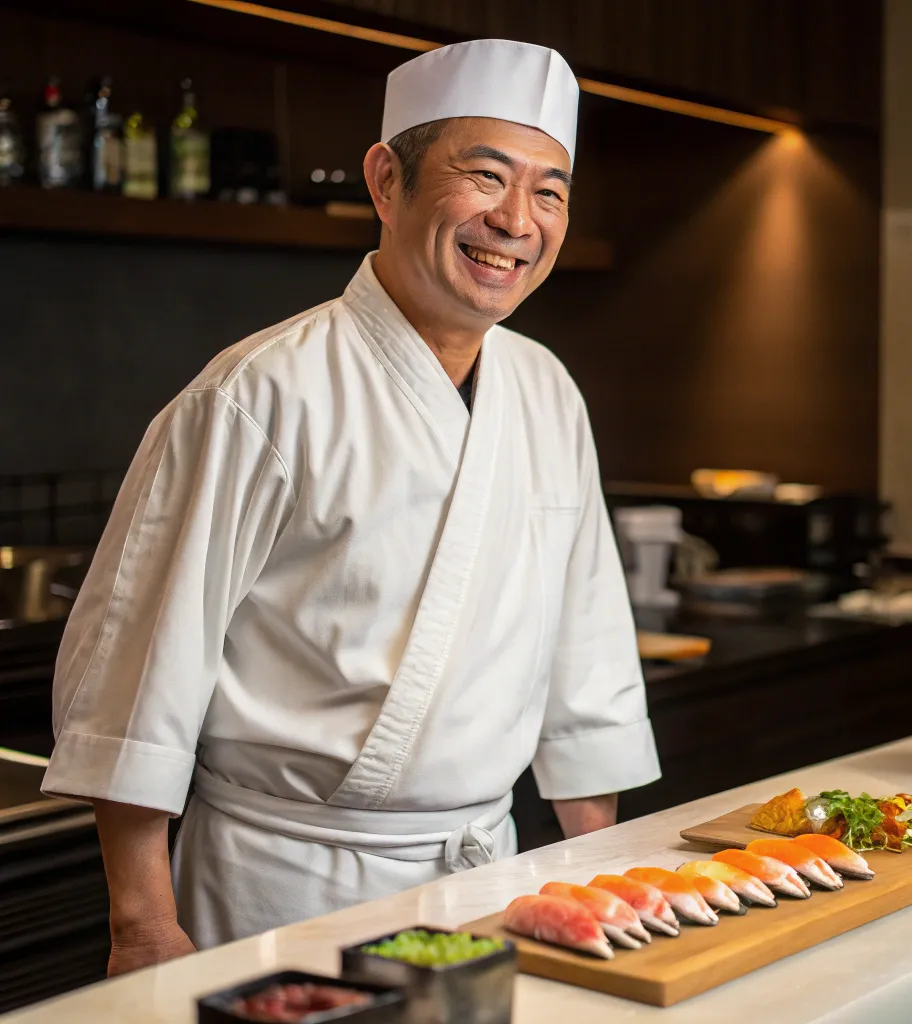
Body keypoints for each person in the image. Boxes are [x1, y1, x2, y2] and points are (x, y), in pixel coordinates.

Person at [42, 38, 661, 976]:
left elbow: (587, 653)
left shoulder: (546, 391)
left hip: (488, 875)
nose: (516, 220)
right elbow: (141, 674)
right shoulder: (257, 395)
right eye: (484, 175)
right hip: (278, 881)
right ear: (386, 179)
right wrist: (142, 928)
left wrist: (593, 869)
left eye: (549, 190)